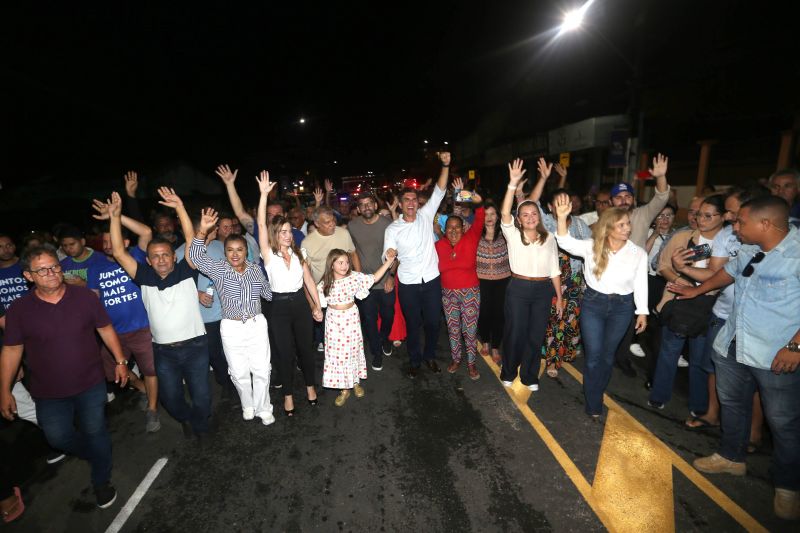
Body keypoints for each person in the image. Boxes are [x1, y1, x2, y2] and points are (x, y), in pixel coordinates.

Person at [668, 195, 800, 520]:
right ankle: (731, 458)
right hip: (732, 344)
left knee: (784, 423)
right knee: (733, 406)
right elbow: (728, 273)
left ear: (765, 224)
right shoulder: (751, 249)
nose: (734, 226)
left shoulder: (796, 255)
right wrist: (697, 290)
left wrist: (796, 347)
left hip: (775, 353)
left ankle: (788, 486)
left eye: (740, 221)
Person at [0, 244, 129, 508]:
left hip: (90, 383)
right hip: (48, 392)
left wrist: (120, 361)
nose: (51, 273)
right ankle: (97, 455)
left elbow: (105, 329)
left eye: (55, 266)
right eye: (42, 270)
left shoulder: (84, 298)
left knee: (96, 431)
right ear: (28, 275)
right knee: (57, 437)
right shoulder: (19, 310)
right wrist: (4, 390)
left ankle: (101, 481)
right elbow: (12, 349)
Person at [109, 189, 211, 441]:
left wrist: (179, 207)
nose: (162, 259)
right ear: (148, 260)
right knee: (171, 398)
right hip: (164, 352)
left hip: (195, 346)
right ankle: (185, 418)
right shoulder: (143, 277)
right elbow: (119, 253)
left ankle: (200, 423)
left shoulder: (186, 270)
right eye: (155, 256)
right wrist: (114, 216)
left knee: (203, 397)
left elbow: (190, 240)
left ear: (174, 257)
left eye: (166, 254)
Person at [553, 195, 648, 417]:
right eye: (622, 224)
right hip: (594, 305)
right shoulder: (591, 246)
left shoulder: (637, 253)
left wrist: (642, 311)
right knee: (594, 355)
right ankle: (593, 399)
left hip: (622, 307)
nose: (627, 228)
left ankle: (596, 389)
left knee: (607, 356)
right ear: (609, 228)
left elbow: (641, 284)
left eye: (628, 224)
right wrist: (561, 217)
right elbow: (564, 241)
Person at [189, 208, 275, 425]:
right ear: (225, 252)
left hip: (256, 324)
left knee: (262, 369)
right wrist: (202, 231)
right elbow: (196, 256)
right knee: (238, 372)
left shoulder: (255, 270)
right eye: (230, 250)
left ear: (246, 251)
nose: (235, 254)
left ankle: (264, 407)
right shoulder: (218, 269)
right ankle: (248, 404)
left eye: (239, 250)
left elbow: (268, 293)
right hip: (231, 327)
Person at [647, 195, 726, 413]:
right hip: (679, 300)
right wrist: (681, 282)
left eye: (708, 216)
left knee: (700, 358)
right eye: (699, 214)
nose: (701, 219)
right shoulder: (683, 237)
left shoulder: (730, 243)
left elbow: (725, 276)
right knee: (669, 350)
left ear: (724, 217)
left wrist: (699, 287)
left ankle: (699, 406)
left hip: (710, 306)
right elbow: (662, 265)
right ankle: (659, 395)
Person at [88, 198, 161, 433]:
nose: (109, 244)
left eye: (114, 239)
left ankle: (152, 409)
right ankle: (142, 388)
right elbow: (94, 299)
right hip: (113, 332)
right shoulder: (95, 267)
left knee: (151, 369)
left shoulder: (136, 257)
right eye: (106, 241)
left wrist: (115, 216)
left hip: (141, 327)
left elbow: (147, 231)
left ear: (124, 241)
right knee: (111, 372)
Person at [256, 171, 324, 417]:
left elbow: (309, 282)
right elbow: (262, 224)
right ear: (275, 235)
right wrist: (264, 195)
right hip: (278, 307)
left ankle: (309, 387)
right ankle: (287, 395)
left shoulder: (298, 254)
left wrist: (317, 306)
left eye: (288, 230)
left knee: (305, 349)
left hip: (299, 304)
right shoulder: (268, 255)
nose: (287, 234)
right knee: (284, 353)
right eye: (282, 231)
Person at [384, 151, 452, 378]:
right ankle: (414, 360)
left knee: (433, 323)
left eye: (414, 199)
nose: (411, 203)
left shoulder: (426, 215)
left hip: (431, 280)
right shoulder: (393, 229)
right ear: (401, 204)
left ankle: (429, 355)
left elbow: (440, 190)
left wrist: (445, 165)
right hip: (409, 284)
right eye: (407, 200)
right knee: (413, 325)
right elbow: (386, 256)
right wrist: (390, 254)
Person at [499, 159, 562, 390]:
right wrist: (512, 184)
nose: (530, 217)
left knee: (536, 336)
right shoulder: (513, 235)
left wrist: (560, 298)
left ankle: (529, 376)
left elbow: (555, 269)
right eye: (524, 214)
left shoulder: (550, 239)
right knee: (515, 333)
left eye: (533, 213)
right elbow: (504, 212)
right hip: (518, 288)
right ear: (519, 219)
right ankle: (508, 371)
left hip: (543, 290)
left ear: (539, 216)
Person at [527, 159, 592, 377]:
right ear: (550, 207)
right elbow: (531, 204)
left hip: (574, 281)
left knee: (572, 321)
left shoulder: (582, 226)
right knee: (555, 320)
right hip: (552, 280)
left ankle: (566, 354)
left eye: (567, 202)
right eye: (558, 203)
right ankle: (553, 362)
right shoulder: (547, 223)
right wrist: (544, 178)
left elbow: (592, 253)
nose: (564, 206)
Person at [610, 155, 671, 377]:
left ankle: (622, 357)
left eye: (628, 196)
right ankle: (605, 355)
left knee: (628, 322)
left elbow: (662, 196)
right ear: (611, 202)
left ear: (634, 200)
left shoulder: (643, 214)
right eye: (619, 197)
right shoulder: (605, 219)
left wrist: (661, 176)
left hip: (633, 281)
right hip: (607, 280)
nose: (624, 200)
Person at [318, 248, 397, 406]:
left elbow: (374, 278)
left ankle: (354, 382)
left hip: (351, 319)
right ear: (331, 265)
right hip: (334, 323)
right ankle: (344, 388)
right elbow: (315, 298)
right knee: (338, 354)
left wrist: (388, 262)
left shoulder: (354, 277)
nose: (345, 265)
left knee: (353, 350)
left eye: (347, 262)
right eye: (340, 262)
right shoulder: (325, 283)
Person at [435, 179, 485, 380]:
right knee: (453, 328)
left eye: (457, 227)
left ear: (464, 228)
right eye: (450, 228)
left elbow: (480, 212)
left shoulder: (471, 237)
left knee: (469, 330)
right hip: (448, 294)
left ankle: (471, 363)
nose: (454, 230)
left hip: (470, 292)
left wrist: (465, 194)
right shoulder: (439, 246)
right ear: (444, 230)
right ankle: (457, 359)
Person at [348, 194, 396, 371]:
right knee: (368, 320)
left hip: (385, 281)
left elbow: (395, 252)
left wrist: (391, 275)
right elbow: (350, 252)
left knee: (388, 316)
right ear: (358, 209)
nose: (366, 207)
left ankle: (384, 339)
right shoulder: (352, 227)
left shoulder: (387, 224)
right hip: (364, 284)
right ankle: (376, 352)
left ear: (375, 205)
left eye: (369, 204)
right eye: (362, 205)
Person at [476, 201, 510, 365]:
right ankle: (486, 342)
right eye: (486, 214)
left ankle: (496, 346)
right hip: (481, 280)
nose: (489, 217)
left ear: (498, 216)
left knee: (499, 314)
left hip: (502, 280)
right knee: (484, 313)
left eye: (492, 214)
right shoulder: (475, 234)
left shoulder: (506, 234)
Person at [0, 235, 29, 310]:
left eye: (8, 245)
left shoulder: (28, 265)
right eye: (0, 247)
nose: (6, 250)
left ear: (14, 246)